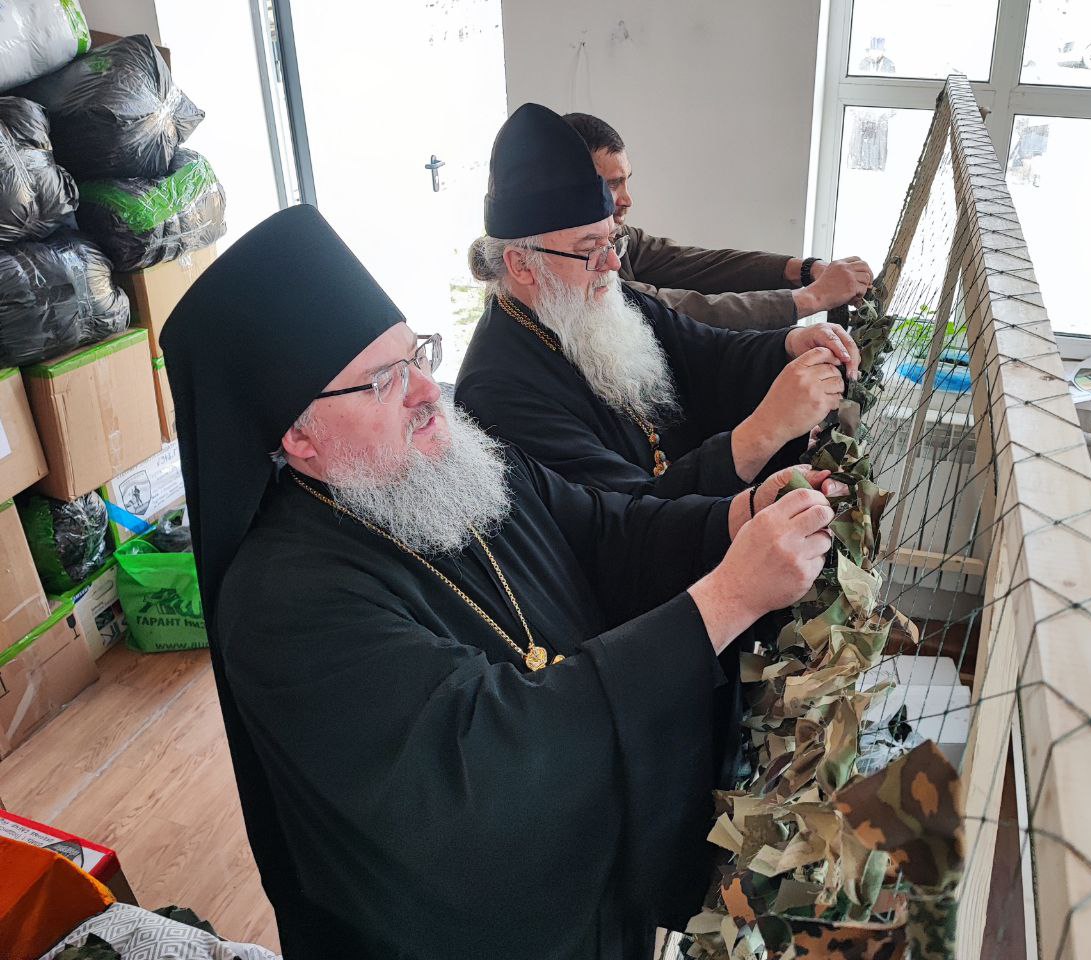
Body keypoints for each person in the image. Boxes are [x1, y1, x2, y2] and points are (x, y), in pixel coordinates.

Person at [160, 203, 845, 959]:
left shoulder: (451, 463)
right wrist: (729, 597)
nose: (427, 392)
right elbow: (487, 755)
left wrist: (741, 515)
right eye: (384, 381)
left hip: (590, 871)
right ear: (298, 436)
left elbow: (606, 530)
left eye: (417, 355)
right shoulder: (281, 605)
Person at [457, 103, 859, 499]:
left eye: (611, 241)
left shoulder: (595, 291)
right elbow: (624, 518)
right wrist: (766, 431)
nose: (613, 263)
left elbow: (708, 350)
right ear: (522, 265)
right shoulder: (496, 390)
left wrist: (790, 345)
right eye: (590, 248)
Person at [560, 111, 874, 330]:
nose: (627, 200)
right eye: (612, 185)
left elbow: (697, 264)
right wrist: (813, 297)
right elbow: (677, 308)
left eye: (627, 181)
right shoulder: (568, 266)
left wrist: (804, 270)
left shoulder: (618, 238)